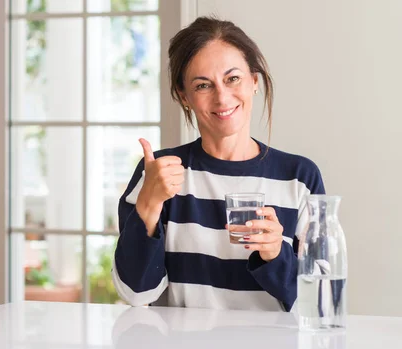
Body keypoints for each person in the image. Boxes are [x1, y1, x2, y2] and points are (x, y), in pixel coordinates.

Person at [112, 16, 325, 312]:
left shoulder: (300, 178)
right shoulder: (158, 173)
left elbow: (321, 303)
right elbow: (135, 294)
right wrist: (148, 205)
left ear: (254, 82)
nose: (222, 97)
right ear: (183, 96)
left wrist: (276, 255)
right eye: (203, 85)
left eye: (232, 78)